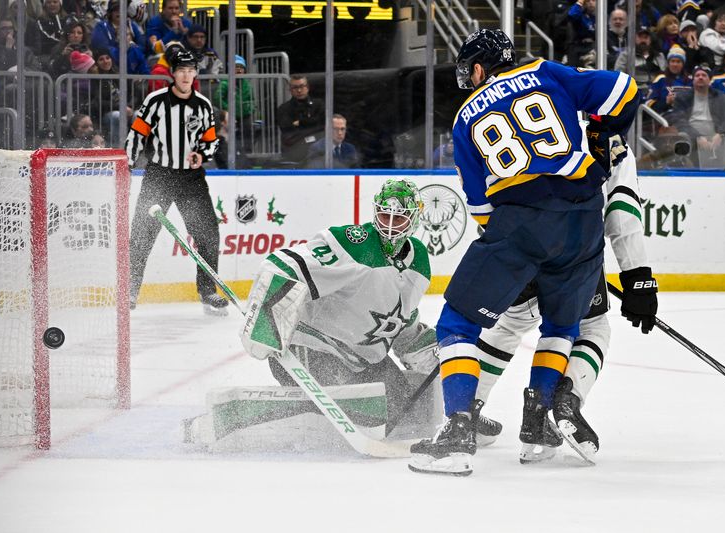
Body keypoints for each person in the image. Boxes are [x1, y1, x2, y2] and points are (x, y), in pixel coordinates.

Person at [407, 29, 640, 476]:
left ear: (479, 67)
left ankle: (457, 431)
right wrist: (604, 135)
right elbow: (625, 89)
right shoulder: (547, 71)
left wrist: (523, 255)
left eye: (467, 71)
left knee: (457, 322)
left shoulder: (463, 118)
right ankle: (536, 429)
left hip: (520, 221)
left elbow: (481, 208)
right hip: (584, 217)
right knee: (563, 324)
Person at [472, 144, 658, 463]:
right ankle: (559, 404)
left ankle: (465, 410)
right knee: (591, 327)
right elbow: (622, 210)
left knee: (511, 323)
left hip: (512, 241)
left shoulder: (522, 110)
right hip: (575, 248)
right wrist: (637, 275)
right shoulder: (611, 137)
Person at [239, 179, 437, 426]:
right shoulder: (355, 244)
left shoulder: (418, 263)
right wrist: (264, 322)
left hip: (361, 361)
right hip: (311, 349)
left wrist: (439, 360)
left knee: (403, 411)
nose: (389, 227)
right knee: (372, 414)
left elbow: (401, 320)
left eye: (398, 219)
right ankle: (241, 419)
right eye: (385, 216)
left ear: (414, 218)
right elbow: (282, 265)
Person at [124, 50, 226, 316]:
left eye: (190, 70)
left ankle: (208, 291)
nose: (185, 75)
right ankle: (130, 290)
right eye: (181, 69)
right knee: (142, 235)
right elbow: (137, 133)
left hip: (190, 179)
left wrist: (201, 155)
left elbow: (211, 140)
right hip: (160, 176)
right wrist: (128, 162)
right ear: (172, 73)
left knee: (207, 234)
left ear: (195, 73)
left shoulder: (203, 105)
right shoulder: (156, 101)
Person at [668, 64, 725, 168]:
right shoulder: (683, 97)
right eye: (697, 75)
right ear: (693, 79)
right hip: (691, 136)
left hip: (716, 136)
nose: (700, 77)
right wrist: (697, 137)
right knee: (682, 137)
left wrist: (721, 134)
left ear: (710, 80)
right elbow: (679, 120)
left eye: (704, 75)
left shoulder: (720, 97)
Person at [276, 74, 325, 167]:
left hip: (318, 152)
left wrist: (301, 123)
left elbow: (322, 125)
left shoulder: (319, 104)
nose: (299, 90)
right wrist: (311, 123)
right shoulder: (284, 109)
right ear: (290, 89)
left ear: (308, 87)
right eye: (295, 87)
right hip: (294, 152)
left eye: (302, 86)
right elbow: (287, 129)